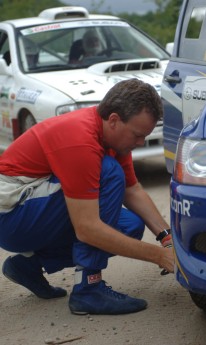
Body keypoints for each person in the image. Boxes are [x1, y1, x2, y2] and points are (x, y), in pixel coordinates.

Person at [0, 78, 174, 315]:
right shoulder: (80, 140)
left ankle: (29, 265)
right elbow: (87, 228)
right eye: (137, 135)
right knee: (109, 173)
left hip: (27, 211)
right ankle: (89, 289)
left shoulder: (109, 137)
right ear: (113, 120)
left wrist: (168, 238)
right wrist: (159, 256)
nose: (141, 142)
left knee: (129, 225)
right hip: (10, 215)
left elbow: (132, 190)